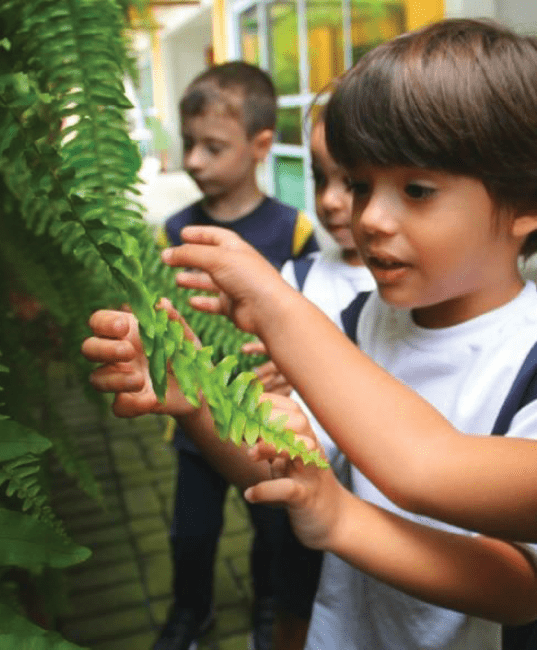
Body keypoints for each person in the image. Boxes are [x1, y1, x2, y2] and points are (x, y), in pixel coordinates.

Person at [82, 19, 537, 649]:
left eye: (417, 189)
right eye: (360, 184)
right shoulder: (361, 322)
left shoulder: (528, 361)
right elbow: (281, 463)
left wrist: (275, 303)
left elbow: (518, 588)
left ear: (523, 203)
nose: (370, 217)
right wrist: (197, 400)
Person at [151, 61, 319, 650]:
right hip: (195, 424)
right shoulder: (172, 230)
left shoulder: (294, 230)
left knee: (274, 530)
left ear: (260, 146)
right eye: (188, 144)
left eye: (212, 147)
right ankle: (188, 611)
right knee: (190, 533)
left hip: (263, 427)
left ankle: (270, 607)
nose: (193, 161)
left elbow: (310, 318)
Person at [241, 108, 375, 649]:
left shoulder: (399, 302)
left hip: (368, 520)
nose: (331, 200)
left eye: (354, 181)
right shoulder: (295, 279)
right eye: (321, 178)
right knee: (292, 606)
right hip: (302, 509)